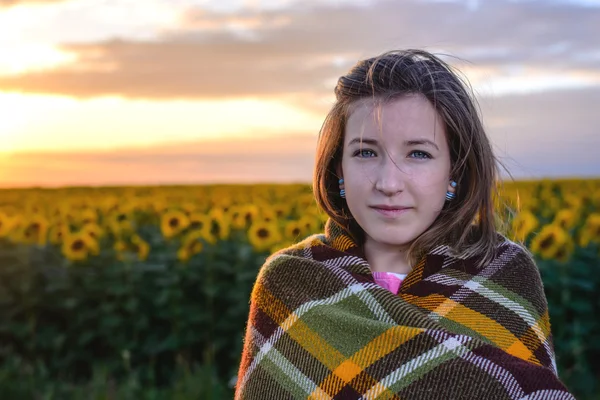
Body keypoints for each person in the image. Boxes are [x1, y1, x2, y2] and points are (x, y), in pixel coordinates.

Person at [234, 49, 574, 399]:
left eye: (418, 154)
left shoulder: (504, 274)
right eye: (365, 152)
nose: (388, 183)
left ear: (454, 171)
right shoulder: (291, 281)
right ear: (339, 168)